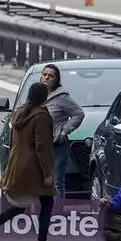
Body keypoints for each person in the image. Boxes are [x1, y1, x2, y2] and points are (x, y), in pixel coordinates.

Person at [0, 82, 61, 241]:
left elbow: (13, 143)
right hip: (34, 167)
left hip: (19, 164)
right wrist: (47, 173)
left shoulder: (20, 114)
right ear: (44, 97)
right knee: (46, 202)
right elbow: (42, 146)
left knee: (21, 205)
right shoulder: (41, 116)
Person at [41, 64, 84, 198]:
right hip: (39, 145)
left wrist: (64, 131)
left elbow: (78, 114)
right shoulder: (36, 94)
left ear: (56, 79)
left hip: (57, 146)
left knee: (56, 182)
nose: (47, 78)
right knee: (38, 181)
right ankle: (38, 213)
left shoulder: (62, 97)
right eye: (45, 74)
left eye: (51, 76)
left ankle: (56, 215)